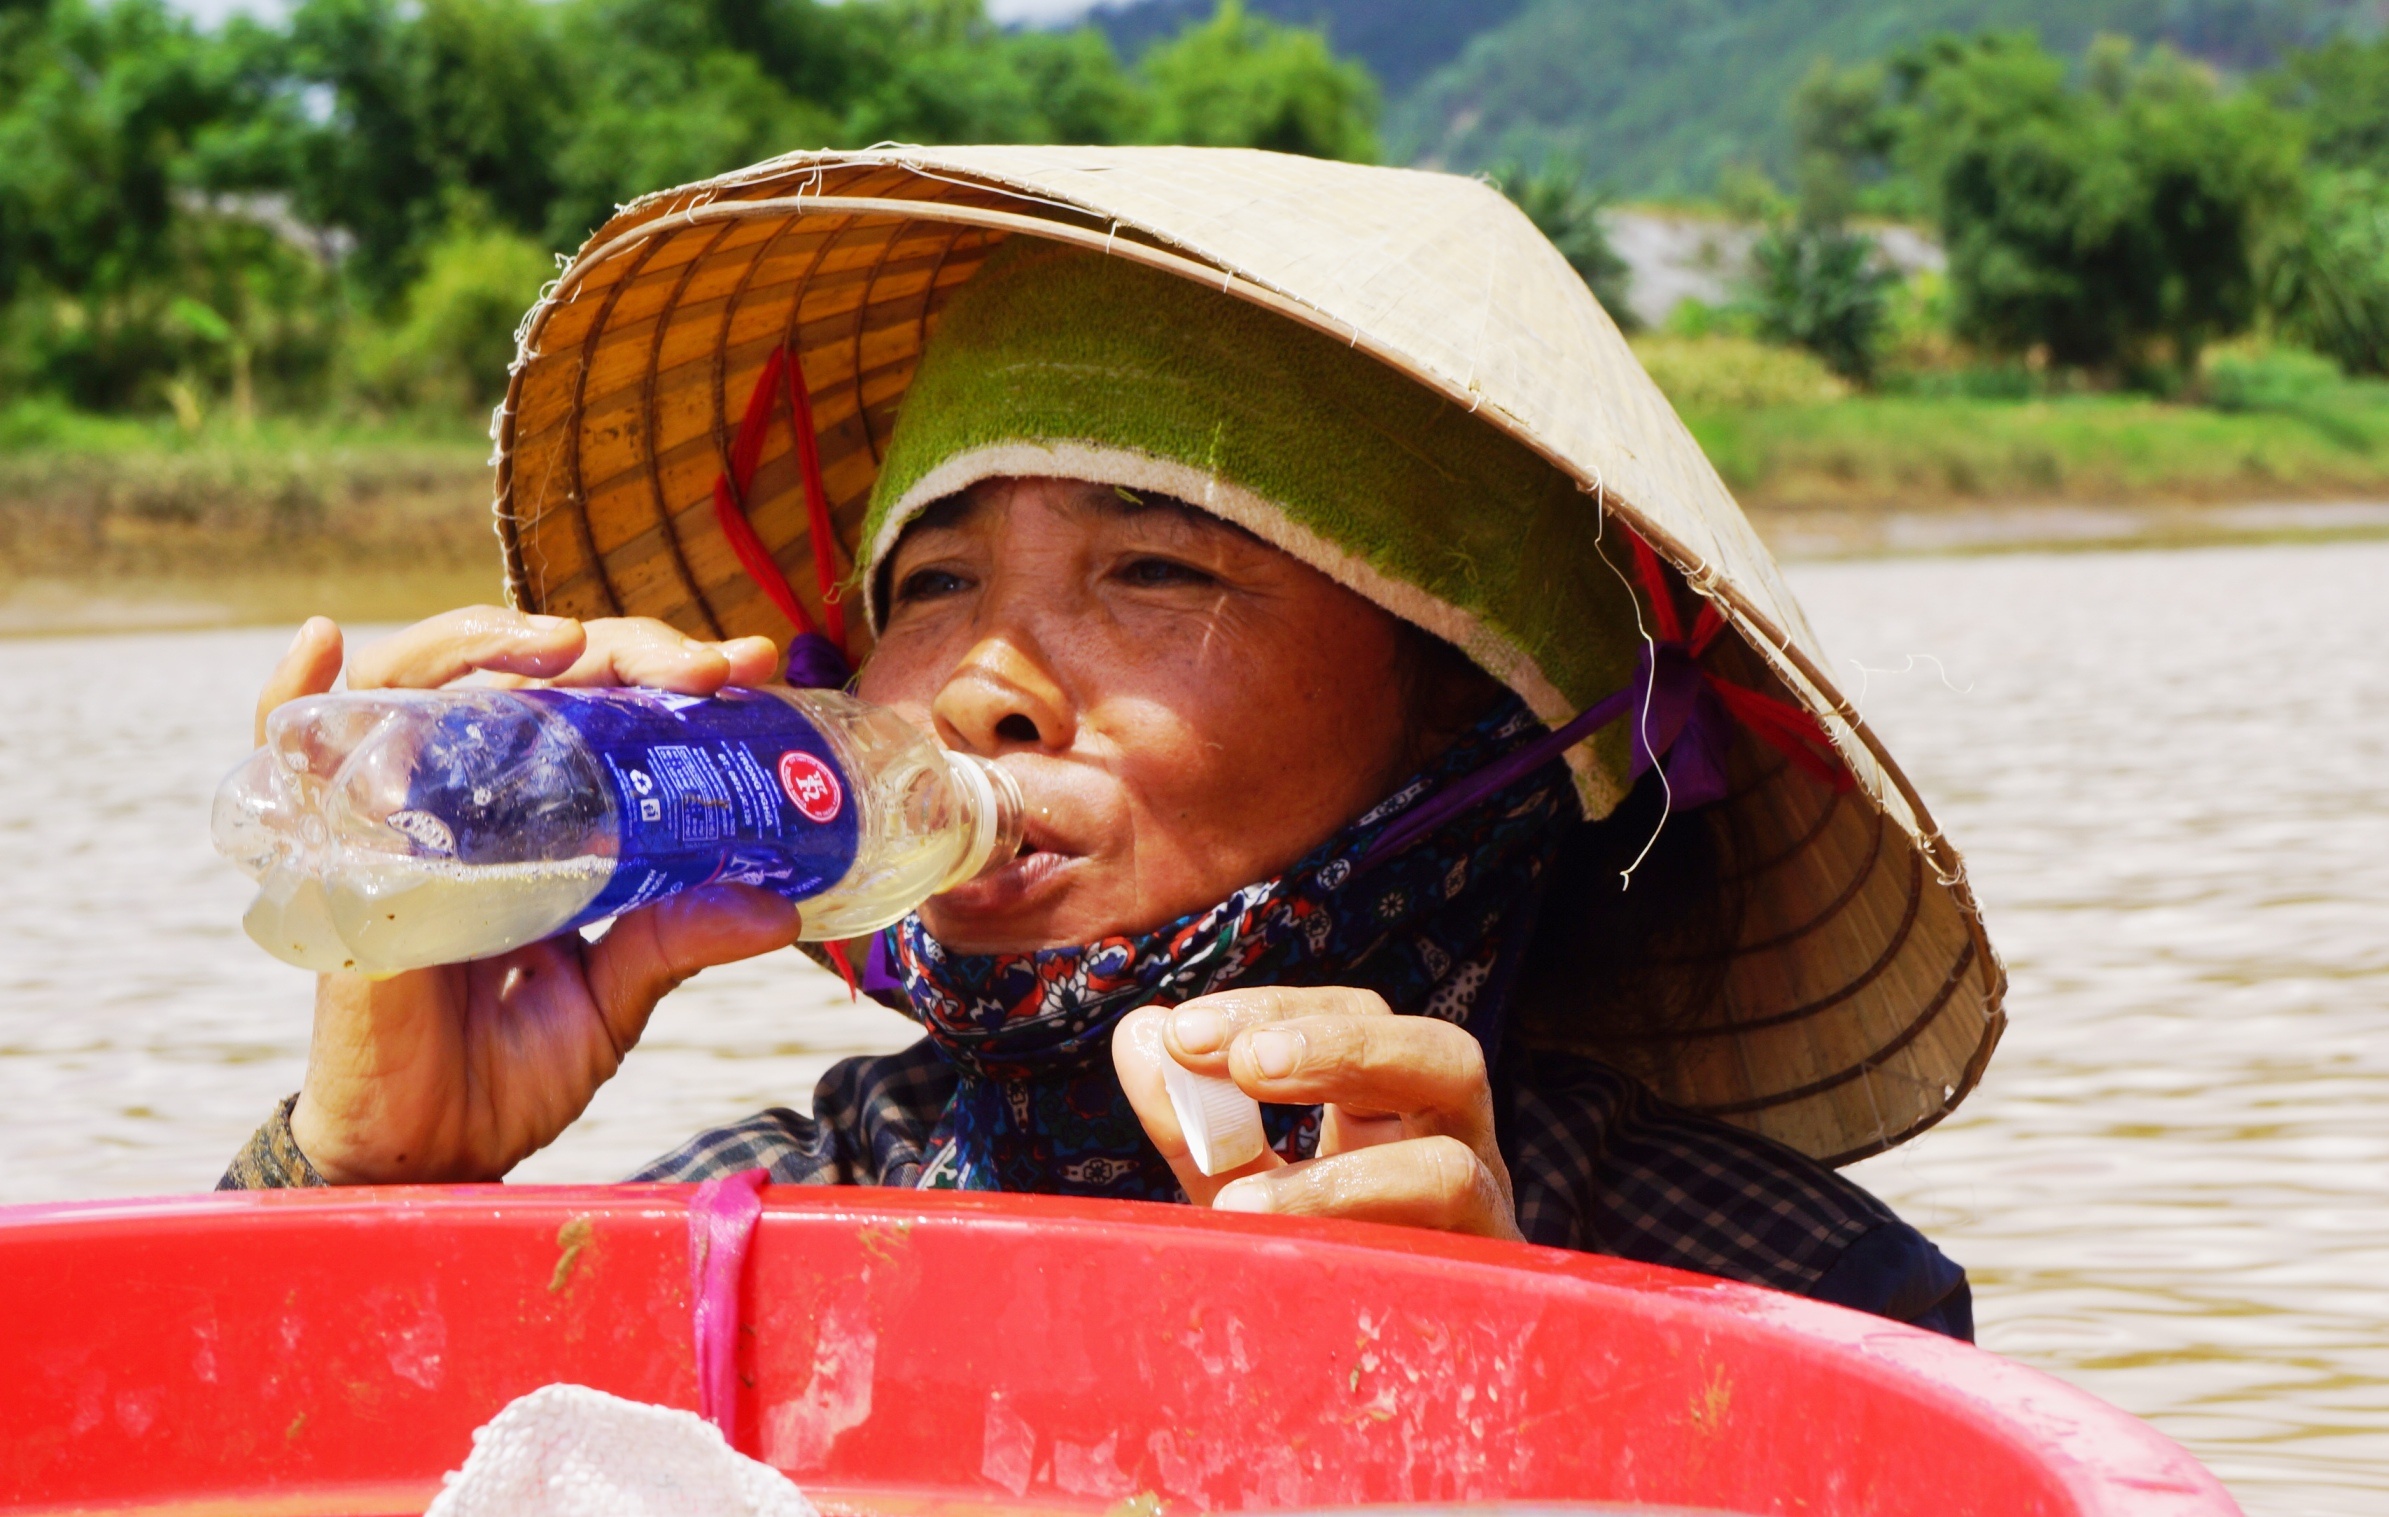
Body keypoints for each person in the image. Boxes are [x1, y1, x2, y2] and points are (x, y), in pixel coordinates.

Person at [220, 203, 1977, 1341]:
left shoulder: (1777, 1297)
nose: (980, 683)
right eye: (929, 586)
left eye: (1156, 570)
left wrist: (1495, 1385)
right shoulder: (748, 1235)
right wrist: (368, 1190)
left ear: (1462, 723)